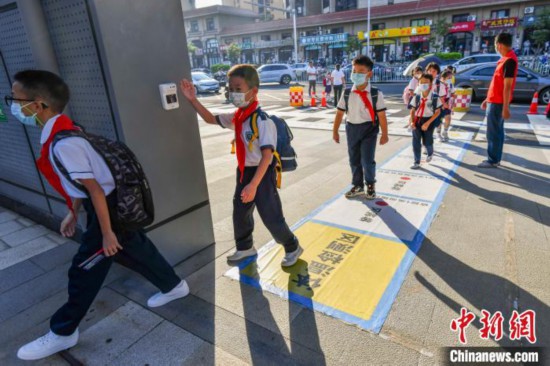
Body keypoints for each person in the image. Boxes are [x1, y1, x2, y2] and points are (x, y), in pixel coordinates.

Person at [11, 70, 189, 361]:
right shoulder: (66, 130)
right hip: (108, 206)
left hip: (108, 210)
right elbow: (82, 185)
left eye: (16, 99)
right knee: (136, 248)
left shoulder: (65, 142)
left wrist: (106, 233)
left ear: (39, 104)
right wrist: (73, 212)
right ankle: (174, 286)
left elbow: (95, 190)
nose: (13, 105)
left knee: (84, 270)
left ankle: (63, 331)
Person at [180, 64, 302, 266]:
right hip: (244, 171)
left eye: (238, 89)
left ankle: (292, 246)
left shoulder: (263, 121)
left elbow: (267, 157)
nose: (233, 93)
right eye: (231, 89)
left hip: (262, 174)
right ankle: (245, 248)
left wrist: (253, 185)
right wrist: (192, 98)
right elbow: (210, 118)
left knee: (271, 216)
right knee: (240, 212)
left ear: (253, 92)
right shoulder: (238, 118)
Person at [332, 55, 389, 199]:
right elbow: (339, 113)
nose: (356, 75)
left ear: (369, 74)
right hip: (351, 128)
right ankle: (357, 185)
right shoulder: (346, 93)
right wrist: (335, 131)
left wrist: (384, 134)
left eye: (360, 72)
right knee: (354, 159)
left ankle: (370, 184)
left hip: (369, 129)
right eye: (354, 71)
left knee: (367, 160)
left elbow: (381, 116)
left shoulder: (376, 93)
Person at [479, 33, 518, 168]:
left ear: (499, 45)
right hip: (494, 100)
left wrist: (506, 108)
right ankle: (495, 158)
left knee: (493, 132)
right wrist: (487, 99)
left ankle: (493, 160)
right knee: (497, 131)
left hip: (498, 103)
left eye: (496, 45)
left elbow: (507, 87)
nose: (496, 47)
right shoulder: (505, 60)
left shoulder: (509, 61)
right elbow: (498, 84)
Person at [409, 73, 442, 169]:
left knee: (427, 141)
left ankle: (430, 153)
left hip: (429, 120)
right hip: (417, 119)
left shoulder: (435, 97)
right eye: (421, 82)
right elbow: (413, 110)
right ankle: (416, 162)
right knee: (415, 141)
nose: (423, 84)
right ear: (418, 83)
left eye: (426, 82)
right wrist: (412, 121)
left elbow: (437, 112)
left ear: (431, 84)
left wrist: (428, 123)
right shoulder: (417, 97)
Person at [436, 70, 456, 142]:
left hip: (447, 102)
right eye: (448, 77)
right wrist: (443, 104)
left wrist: (453, 100)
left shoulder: (450, 83)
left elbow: (453, 92)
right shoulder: (438, 84)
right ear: (443, 77)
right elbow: (439, 96)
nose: (450, 79)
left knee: (448, 118)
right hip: (439, 103)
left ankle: (445, 132)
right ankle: (438, 134)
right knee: (439, 119)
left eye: (451, 77)